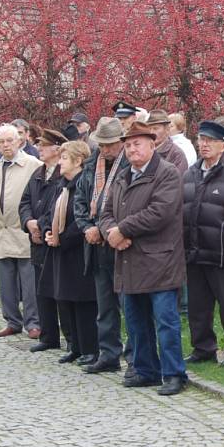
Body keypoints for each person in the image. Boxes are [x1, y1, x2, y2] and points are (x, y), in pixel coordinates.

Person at [99, 122, 188, 395]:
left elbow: (160, 212)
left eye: (137, 143)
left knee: (166, 322)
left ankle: (174, 374)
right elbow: (105, 212)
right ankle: (145, 369)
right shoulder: (122, 176)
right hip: (128, 260)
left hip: (160, 261)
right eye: (127, 145)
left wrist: (123, 230)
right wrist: (110, 231)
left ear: (152, 144)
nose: (131, 149)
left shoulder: (167, 173)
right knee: (136, 323)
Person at [182, 121, 224, 369]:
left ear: (223, 144)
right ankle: (203, 348)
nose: (204, 144)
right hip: (195, 251)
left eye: (210, 140)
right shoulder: (190, 173)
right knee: (198, 307)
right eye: (201, 139)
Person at [73, 117, 135, 375]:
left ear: (121, 142)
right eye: (103, 144)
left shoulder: (129, 167)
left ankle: (134, 358)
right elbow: (80, 201)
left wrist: (105, 230)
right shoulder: (91, 165)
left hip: (122, 245)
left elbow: (131, 206)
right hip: (96, 246)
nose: (106, 149)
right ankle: (108, 353)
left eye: (110, 144)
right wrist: (87, 227)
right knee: (105, 306)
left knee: (129, 306)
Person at [40, 141, 98, 366]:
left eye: (64, 158)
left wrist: (61, 239)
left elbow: (82, 218)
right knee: (65, 301)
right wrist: (47, 231)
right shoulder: (60, 185)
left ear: (78, 161)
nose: (60, 162)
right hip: (59, 252)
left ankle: (90, 348)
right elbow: (48, 212)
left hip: (78, 252)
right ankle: (74, 346)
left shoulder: (85, 183)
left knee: (83, 303)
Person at [0, 124, 42, 338]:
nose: (5, 145)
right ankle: (12, 320)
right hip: (1, 231)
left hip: (22, 230)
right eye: (1, 142)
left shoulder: (32, 165)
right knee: (6, 283)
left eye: (9, 140)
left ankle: (33, 322)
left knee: (29, 282)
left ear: (19, 141)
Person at [19, 129, 68, 353]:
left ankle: (70, 338)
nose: (39, 149)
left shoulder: (62, 174)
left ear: (56, 149)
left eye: (44, 146)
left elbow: (57, 205)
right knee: (42, 290)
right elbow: (25, 201)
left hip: (53, 238)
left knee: (59, 290)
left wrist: (42, 225)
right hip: (37, 239)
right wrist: (29, 221)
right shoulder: (38, 172)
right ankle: (48, 336)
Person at [144, 109, 188, 174]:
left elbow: (177, 181)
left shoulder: (177, 155)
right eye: (149, 129)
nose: (152, 132)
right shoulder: (144, 150)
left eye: (156, 128)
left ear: (167, 130)